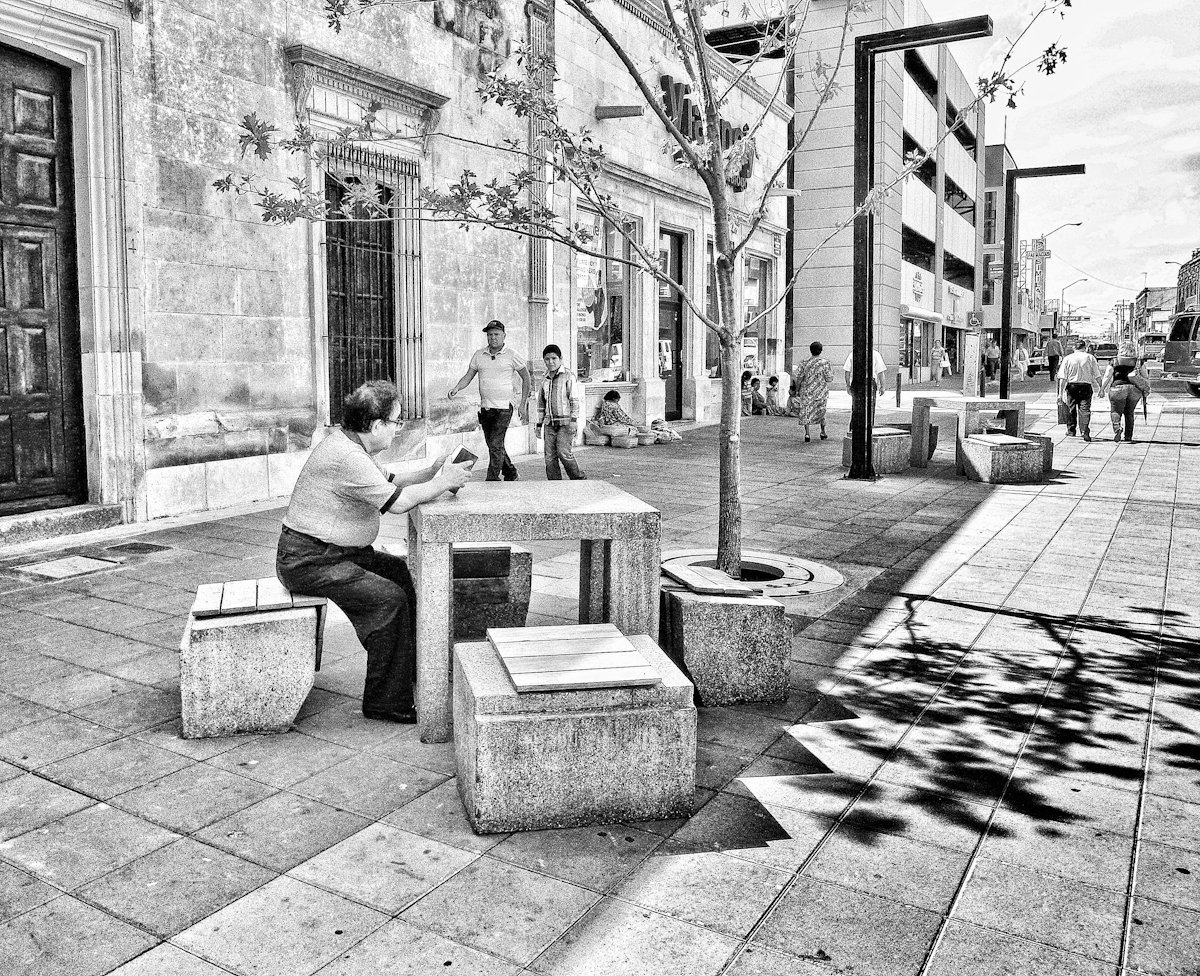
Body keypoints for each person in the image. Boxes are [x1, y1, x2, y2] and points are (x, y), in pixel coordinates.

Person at [276, 381, 471, 723]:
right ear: (377, 424)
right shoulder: (348, 457)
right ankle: (385, 701)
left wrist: (433, 471)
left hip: (332, 553)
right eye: (396, 421)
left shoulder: (351, 447)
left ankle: (410, 670)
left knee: (398, 573)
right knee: (388, 599)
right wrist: (442, 483)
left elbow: (393, 481)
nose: (399, 429)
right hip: (309, 560)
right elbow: (399, 502)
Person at [448, 319, 531, 481]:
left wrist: (523, 404)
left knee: (495, 445)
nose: (493, 337)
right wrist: (457, 388)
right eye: (490, 334)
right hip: (486, 408)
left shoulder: (512, 355)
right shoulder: (479, 355)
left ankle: (492, 479)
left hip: (504, 407)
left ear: (504, 335)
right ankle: (511, 473)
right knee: (495, 445)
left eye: (496, 334)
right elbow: (468, 376)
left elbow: (526, 378)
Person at [536, 344, 585, 480]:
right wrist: (539, 425)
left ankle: (578, 478)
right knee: (549, 457)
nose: (550, 362)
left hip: (566, 423)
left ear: (560, 359)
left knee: (564, 453)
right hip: (549, 423)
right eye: (547, 359)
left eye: (554, 358)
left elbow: (574, 400)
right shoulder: (544, 378)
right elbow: (541, 403)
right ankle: (555, 483)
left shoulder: (568, 376)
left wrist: (574, 420)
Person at [1101, 341, 1151, 443]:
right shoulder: (1138, 362)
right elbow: (1145, 377)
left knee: (1116, 411)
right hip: (1134, 389)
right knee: (1129, 413)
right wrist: (1147, 389)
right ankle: (1128, 436)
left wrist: (1102, 389)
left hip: (1117, 389)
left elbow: (1107, 376)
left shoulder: (1114, 361)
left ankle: (1117, 429)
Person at [1057, 338, 1103, 441]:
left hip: (1072, 386)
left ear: (1074, 348)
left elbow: (1062, 377)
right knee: (1085, 409)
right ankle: (1084, 430)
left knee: (1071, 409)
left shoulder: (1068, 358)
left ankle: (1071, 430)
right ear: (1085, 348)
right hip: (1086, 386)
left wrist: (1060, 393)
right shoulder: (1090, 358)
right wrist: (1101, 388)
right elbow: (1097, 375)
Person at [794, 341, 833, 441]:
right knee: (821, 411)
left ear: (810, 350)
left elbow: (799, 377)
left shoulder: (804, 363)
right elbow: (829, 378)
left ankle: (807, 434)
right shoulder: (825, 363)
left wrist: (797, 390)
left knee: (806, 411)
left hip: (807, 391)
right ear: (821, 350)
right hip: (821, 392)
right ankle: (822, 432)